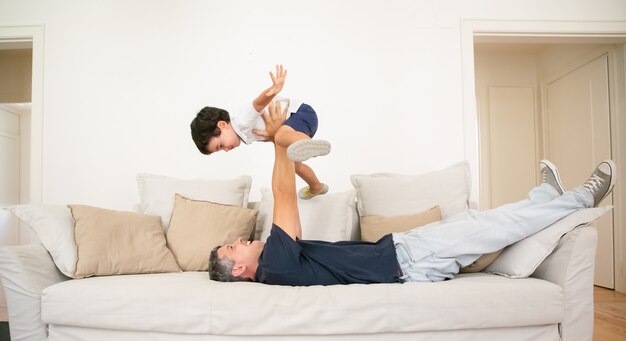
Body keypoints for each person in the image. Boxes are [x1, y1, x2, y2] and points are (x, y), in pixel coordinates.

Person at [208, 103, 616, 285]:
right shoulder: (275, 266)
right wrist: (280, 139)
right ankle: (579, 199)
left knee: (484, 224)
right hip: (410, 261)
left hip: (404, 248)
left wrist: (282, 141)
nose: (240, 241)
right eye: (233, 248)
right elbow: (283, 195)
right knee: (492, 226)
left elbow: (283, 192)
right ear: (241, 270)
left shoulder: (277, 260)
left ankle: (546, 199)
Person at [190, 65, 331, 199]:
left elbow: (257, 104)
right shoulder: (245, 136)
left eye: (220, 145)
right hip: (297, 127)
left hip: (300, 114)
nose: (226, 149)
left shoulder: (242, 121)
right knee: (294, 165)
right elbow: (272, 136)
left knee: (281, 136)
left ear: (222, 125)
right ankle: (316, 186)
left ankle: (310, 145)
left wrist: (273, 90)